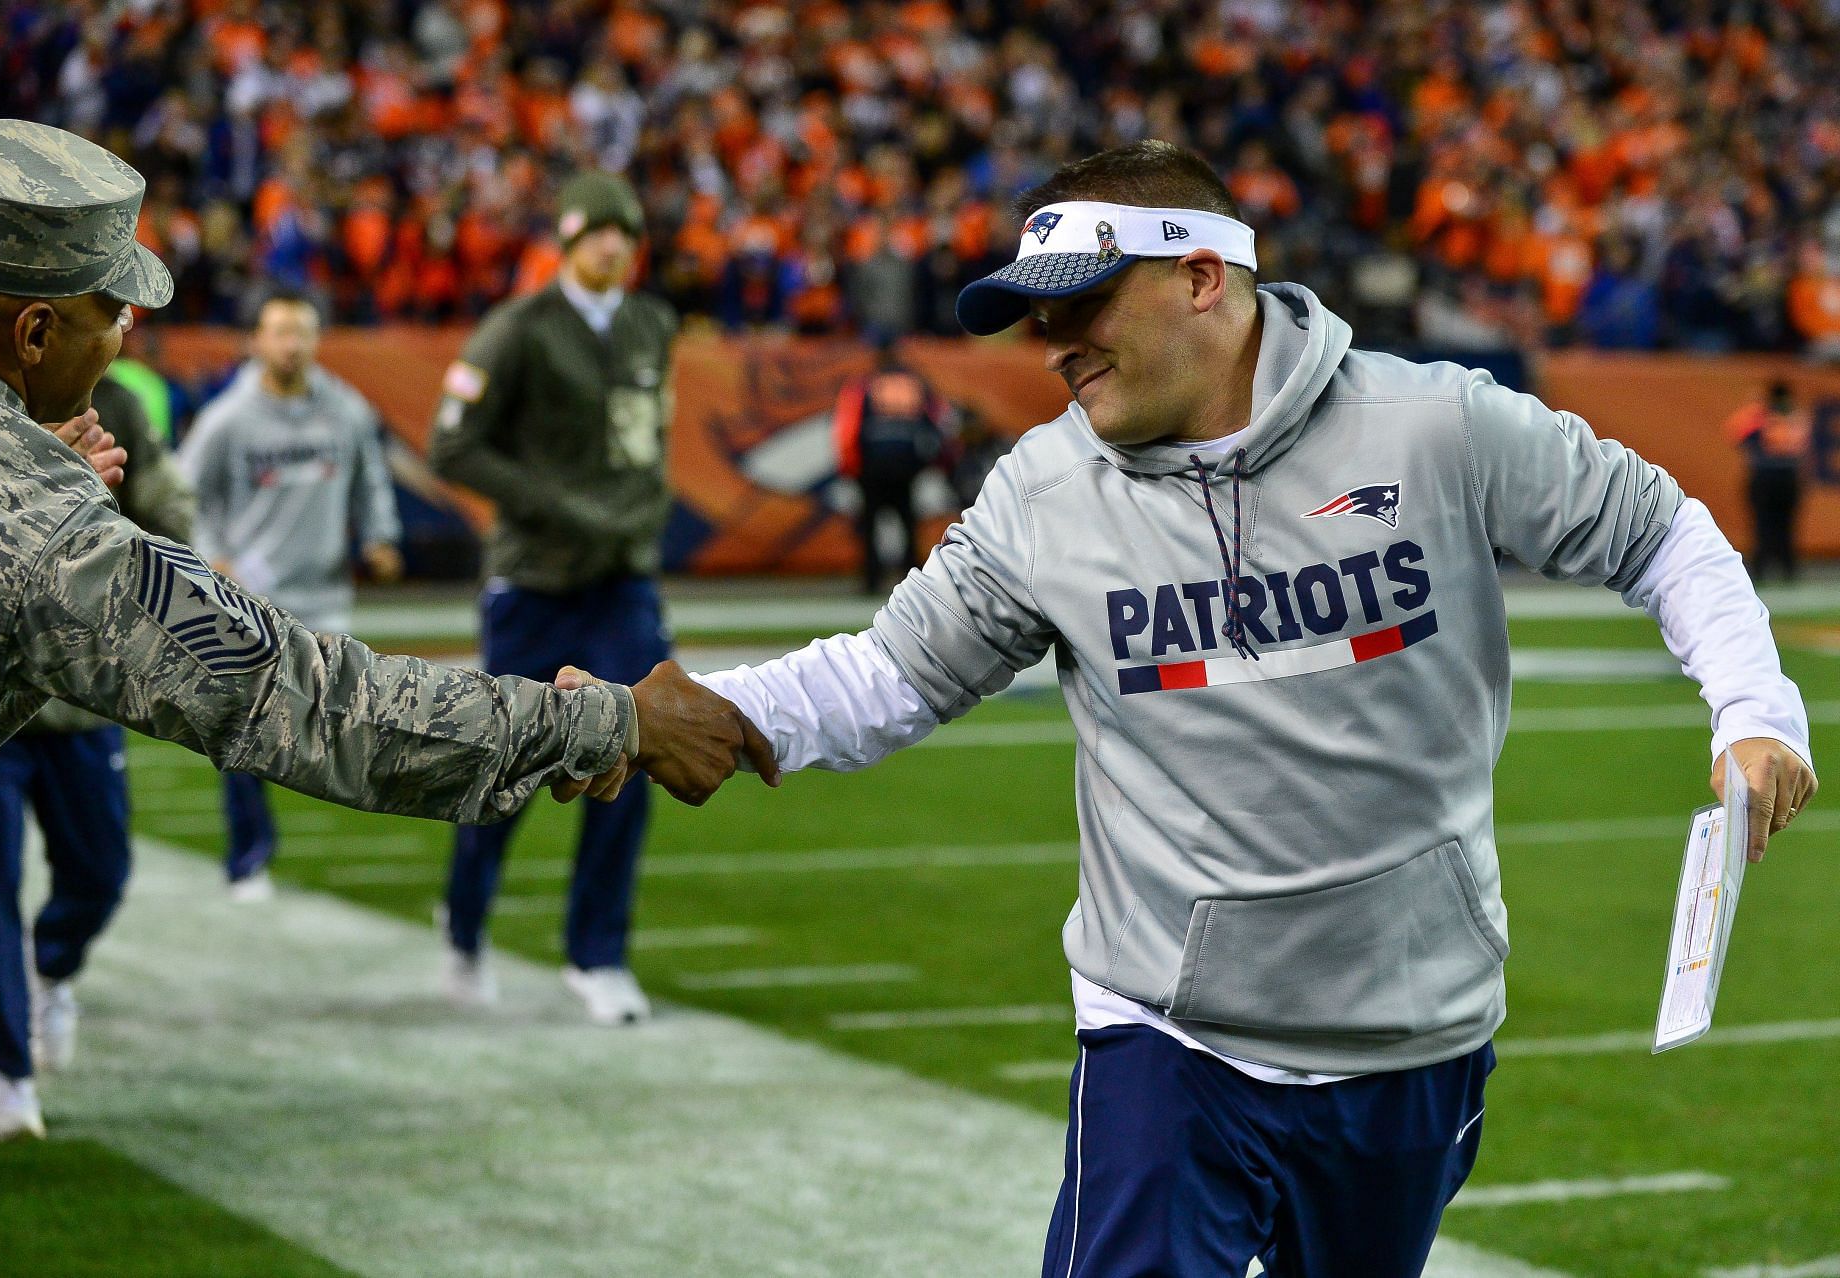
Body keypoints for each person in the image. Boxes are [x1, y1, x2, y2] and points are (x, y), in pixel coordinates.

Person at [630, 142, 1817, 1278]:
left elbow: (1660, 531)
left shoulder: (1435, 425)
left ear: (1204, 277)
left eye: (1082, 303)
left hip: (1414, 1030)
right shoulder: (1044, 494)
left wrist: (1753, 708)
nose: (1054, 345)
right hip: (1169, 1034)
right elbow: (890, 674)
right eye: (1037, 316)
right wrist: (697, 715)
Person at [0, 120, 771, 1129]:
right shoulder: (32, 536)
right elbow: (309, 699)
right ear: (33, 334)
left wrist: (19, 453)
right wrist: (615, 723)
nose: (127, 337)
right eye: (113, 312)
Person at [426, 170, 680, 1022]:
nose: (613, 245)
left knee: (627, 757)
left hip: (620, 582)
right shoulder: (520, 328)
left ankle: (598, 954)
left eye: (624, 231)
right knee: (504, 766)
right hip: (533, 580)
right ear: (569, 242)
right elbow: (452, 444)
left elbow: (652, 440)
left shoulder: (651, 323)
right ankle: (464, 926)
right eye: (597, 232)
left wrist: (638, 516)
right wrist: (555, 505)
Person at [0, 375, 194, 1140]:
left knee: (101, 871)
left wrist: (171, 554)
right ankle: (7, 1073)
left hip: (83, 701)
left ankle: (47, 969)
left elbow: (162, 502)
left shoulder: (113, 402)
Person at [177, 290, 406, 900]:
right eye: (279, 331)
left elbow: (372, 478)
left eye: (302, 331)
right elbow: (181, 493)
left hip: (327, 592)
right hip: (255, 596)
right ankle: (249, 857)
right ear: (256, 339)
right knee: (246, 726)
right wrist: (210, 556)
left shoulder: (347, 411)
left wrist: (381, 537)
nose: (292, 344)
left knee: (337, 718)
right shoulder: (228, 419)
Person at [832, 342, 954, 594]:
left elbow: (848, 427)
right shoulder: (915, 385)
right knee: (908, 524)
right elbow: (939, 422)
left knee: (871, 526)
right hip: (906, 468)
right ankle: (913, 583)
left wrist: (850, 466)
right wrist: (934, 462)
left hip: (873, 468)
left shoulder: (865, 385)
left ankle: (871, 581)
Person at [1722, 379, 1811, 584]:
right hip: (1787, 475)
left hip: (1766, 475)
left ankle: (1766, 568)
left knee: (1766, 523)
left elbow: (1736, 433)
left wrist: (1757, 409)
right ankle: (1785, 569)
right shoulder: (1796, 416)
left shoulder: (1762, 415)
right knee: (1782, 524)